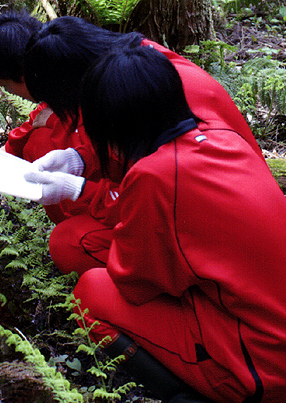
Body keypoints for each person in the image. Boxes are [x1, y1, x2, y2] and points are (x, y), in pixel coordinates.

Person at [54, 44, 286, 403]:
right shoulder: (221, 137)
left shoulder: (155, 176)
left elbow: (136, 285)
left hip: (262, 371)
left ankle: (210, 402)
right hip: (267, 329)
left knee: (89, 293)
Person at [21, 16, 266, 276]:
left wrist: (80, 191)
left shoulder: (165, 92)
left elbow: (160, 196)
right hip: (214, 218)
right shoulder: (139, 67)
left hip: (216, 242)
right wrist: (80, 158)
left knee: (78, 258)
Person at [0, 12, 96, 231]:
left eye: (5, 85)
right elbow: (35, 122)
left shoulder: (105, 88)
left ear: (21, 75)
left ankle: (90, 228)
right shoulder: (57, 71)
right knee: (38, 139)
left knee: (67, 245)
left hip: (133, 196)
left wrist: (74, 188)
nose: (11, 93)